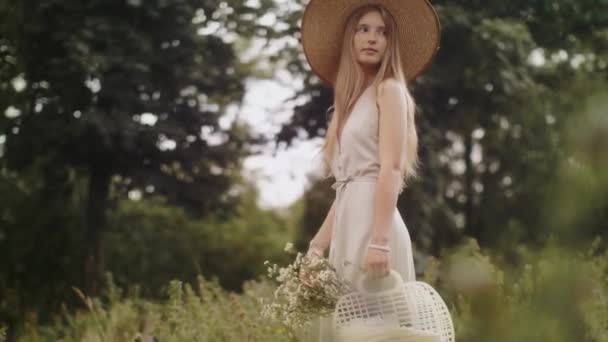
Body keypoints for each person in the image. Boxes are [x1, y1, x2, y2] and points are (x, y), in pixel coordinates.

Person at [298, 0, 441, 340]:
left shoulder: (389, 90)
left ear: (391, 43)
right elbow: (347, 185)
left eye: (383, 32)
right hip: (350, 225)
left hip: (376, 231)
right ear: (350, 38)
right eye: (363, 29)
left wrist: (379, 243)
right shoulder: (347, 105)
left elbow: (390, 168)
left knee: (378, 333)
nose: (372, 38)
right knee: (347, 330)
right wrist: (317, 247)